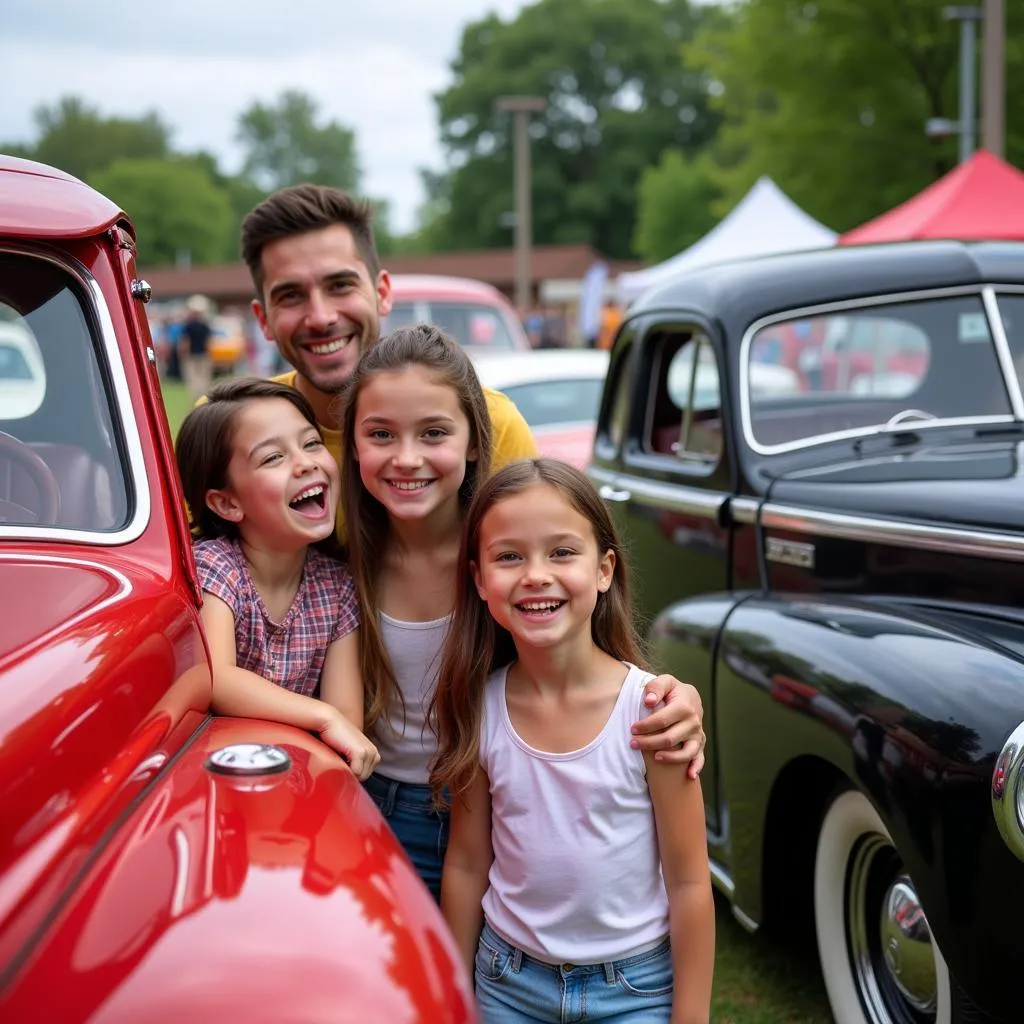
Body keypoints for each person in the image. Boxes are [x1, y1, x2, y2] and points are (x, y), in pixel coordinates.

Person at [232, 184, 707, 789]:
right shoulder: (247, 441)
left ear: (381, 291)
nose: (321, 315)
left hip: (493, 770)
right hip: (318, 764)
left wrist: (656, 694)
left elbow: (562, 583)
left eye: (340, 285)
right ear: (262, 318)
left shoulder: (491, 424)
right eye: (291, 295)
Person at [433, 459, 715, 1023]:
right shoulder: (480, 706)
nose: (536, 575)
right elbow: (467, 863)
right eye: (509, 556)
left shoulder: (653, 713)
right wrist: (451, 998)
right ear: (480, 578)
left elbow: (688, 883)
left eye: (562, 552)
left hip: (634, 990)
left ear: (605, 569)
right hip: (507, 985)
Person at [176, 377, 379, 779]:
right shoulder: (216, 567)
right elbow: (216, 678)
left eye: (311, 443)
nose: (305, 463)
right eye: (273, 458)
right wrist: (320, 715)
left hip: (294, 779)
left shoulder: (336, 588)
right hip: (215, 779)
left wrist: (332, 721)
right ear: (227, 503)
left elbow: (347, 721)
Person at [179, 294, 215, 399]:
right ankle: (204, 396)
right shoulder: (205, 325)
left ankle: (196, 397)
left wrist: (183, 354)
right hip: (204, 354)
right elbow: (208, 342)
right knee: (204, 377)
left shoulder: (188, 326)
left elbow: (185, 342)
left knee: (193, 378)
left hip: (192, 355)